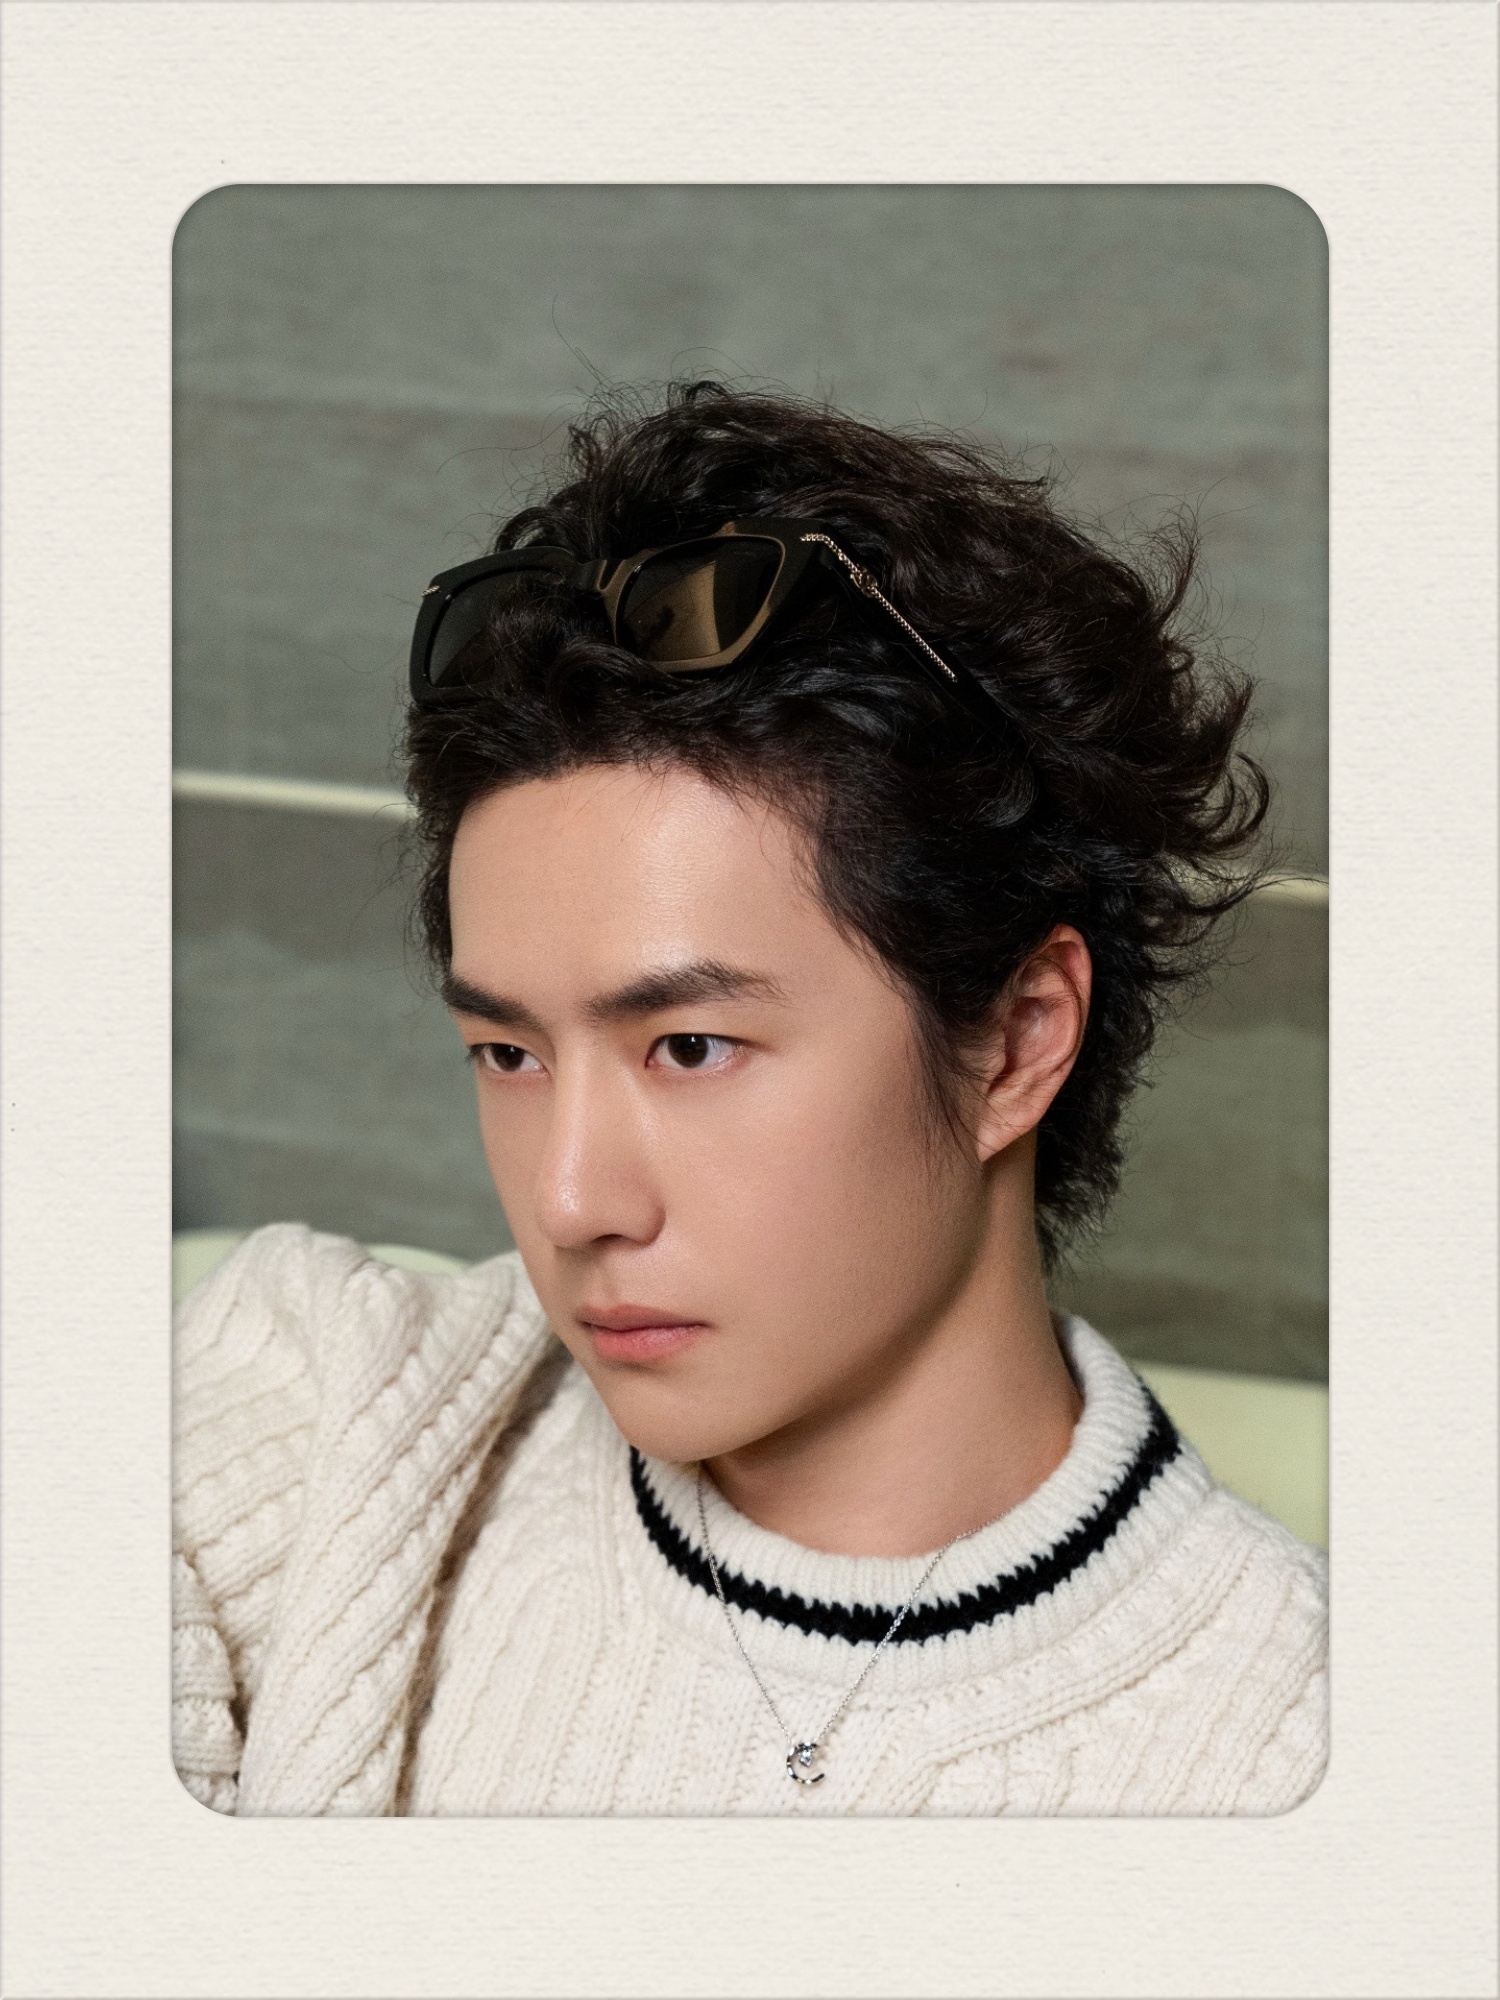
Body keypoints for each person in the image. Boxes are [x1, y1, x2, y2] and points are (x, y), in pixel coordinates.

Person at [172, 382, 1327, 1817]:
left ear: (1018, 1040)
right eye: (509, 1054)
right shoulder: (332, 1404)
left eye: (689, 1048)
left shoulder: (1288, 1755)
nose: (572, 1201)